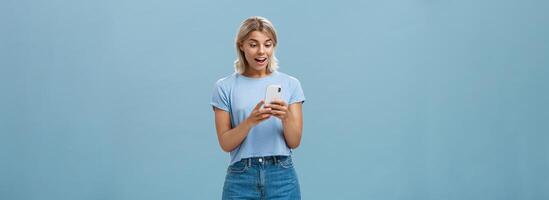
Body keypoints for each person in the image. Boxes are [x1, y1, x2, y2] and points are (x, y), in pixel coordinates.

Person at [211, 16, 305, 200]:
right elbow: (225, 143)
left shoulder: (291, 84)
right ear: (241, 46)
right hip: (241, 178)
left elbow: (294, 142)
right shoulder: (224, 87)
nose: (261, 51)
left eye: (267, 44)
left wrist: (286, 117)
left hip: (282, 176)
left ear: (273, 46)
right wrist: (250, 121)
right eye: (253, 44)